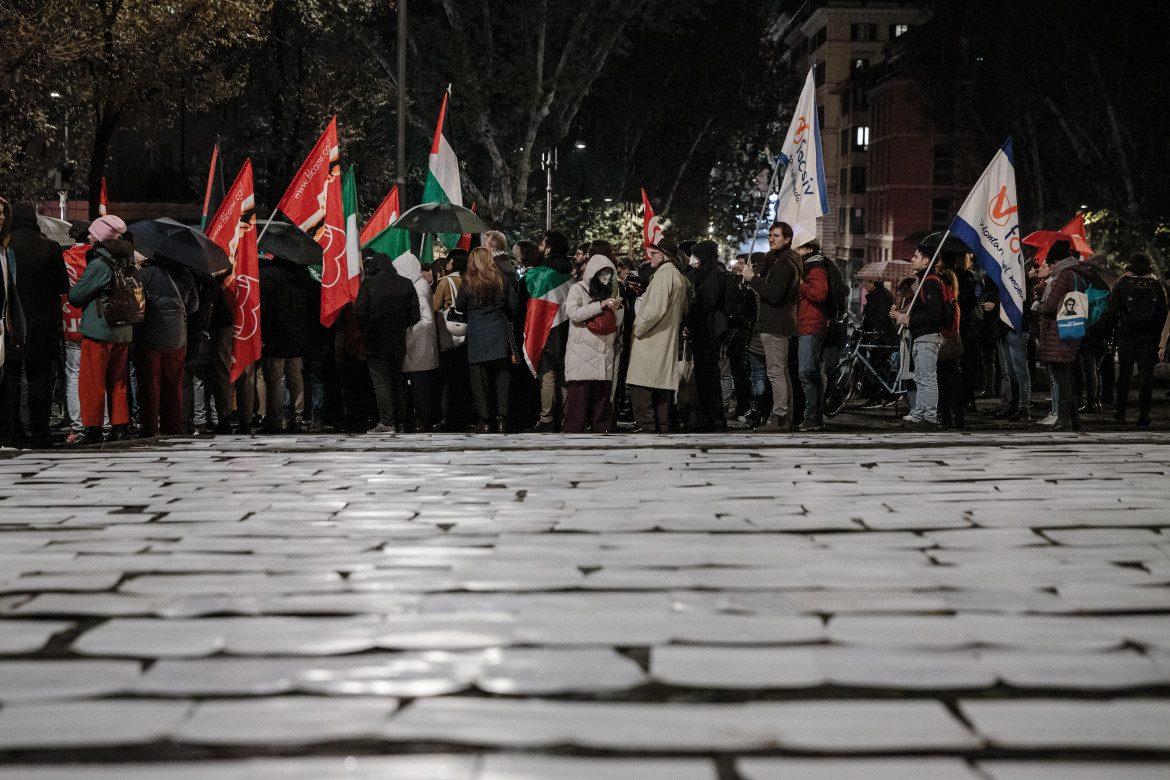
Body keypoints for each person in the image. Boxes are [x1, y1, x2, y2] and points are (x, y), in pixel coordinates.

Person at [1, 202, 69, 448]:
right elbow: (63, 286)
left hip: (10, 324)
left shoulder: (5, 248)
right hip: (42, 324)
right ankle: (40, 431)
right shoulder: (50, 247)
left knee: (10, 378)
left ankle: (12, 431)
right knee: (39, 377)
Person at [66, 215, 134, 445]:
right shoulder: (128, 260)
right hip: (123, 330)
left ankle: (93, 430)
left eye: (92, 234)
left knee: (92, 381)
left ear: (100, 237)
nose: (89, 237)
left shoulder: (99, 263)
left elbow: (75, 297)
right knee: (118, 382)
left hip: (99, 329)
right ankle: (119, 428)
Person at [626, 239, 690, 433]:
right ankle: (661, 426)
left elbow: (654, 310)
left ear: (662, 256)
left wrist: (637, 327)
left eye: (653, 253)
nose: (651, 256)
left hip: (651, 339)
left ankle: (648, 427)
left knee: (642, 385)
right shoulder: (677, 276)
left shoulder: (664, 277)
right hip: (664, 338)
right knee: (661, 386)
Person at [742, 223, 801, 432]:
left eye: (776, 236)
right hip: (780, 323)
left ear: (787, 239)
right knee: (781, 372)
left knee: (776, 373)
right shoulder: (785, 260)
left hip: (776, 324)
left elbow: (774, 295)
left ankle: (781, 417)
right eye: (769, 235)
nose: (771, 239)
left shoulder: (785, 263)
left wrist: (752, 279)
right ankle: (785, 415)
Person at [354, 250, 419, 433]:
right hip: (398, 340)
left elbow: (359, 311)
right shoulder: (406, 283)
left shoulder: (368, 283)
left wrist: (365, 327)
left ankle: (387, 423)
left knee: (381, 383)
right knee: (397, 382)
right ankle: (399, 422)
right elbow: (415, 314)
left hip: (375, 339)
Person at [133, 254, 197, 437]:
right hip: (177, 338)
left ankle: (150, 428)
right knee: (174, 385)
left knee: (149, 385)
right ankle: (173, 427)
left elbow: (137, 305)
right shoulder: (186, 275)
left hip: (149, 336)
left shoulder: (146, 274)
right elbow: (193, 307)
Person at [456, 246, 518, 433]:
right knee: (502, 380)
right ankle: (503, 420)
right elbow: (513, 304)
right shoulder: (501, 279)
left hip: (477, 336)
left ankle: (485, 421)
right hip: (499, 333)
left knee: (479, 380)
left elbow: (459, 306)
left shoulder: (468, 281)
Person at [563, 254, 623, 433]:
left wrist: (616, 311)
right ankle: (574, 437)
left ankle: (602, 433)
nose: (605, 278)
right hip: (581, 353)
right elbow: (573, 313)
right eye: (601, 274)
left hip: (603, 352)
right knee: (578, 405)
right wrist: (599, 306)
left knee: (602, 402)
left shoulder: (610, 291)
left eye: (608, 275)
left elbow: (616, 323)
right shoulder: (578, 289)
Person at [1110, 253, 1168, 426]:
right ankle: (1145, 414)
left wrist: (1111, 334)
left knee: (1124, 375)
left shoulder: (1122, 283)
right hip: (1149, 337)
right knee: (1146, 376)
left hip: (1127, 335)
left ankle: (1120, 413)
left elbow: (1113, 312)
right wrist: (1160, 340)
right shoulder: (1157, 284)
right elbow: (1163, 314)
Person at [892, 244, 945, 429]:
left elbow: (933, 315)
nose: (912, 259)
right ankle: (919, 416)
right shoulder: (924, 281)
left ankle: (929, 418)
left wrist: (907, 319)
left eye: (916, 256)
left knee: (927, 378)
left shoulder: (930, 282)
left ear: (926, 261)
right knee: (921, 378)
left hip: (927, 337)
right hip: (921, 337)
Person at [258, 252, 309, 433]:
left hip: (275, 335)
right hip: (298, 334)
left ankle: (275, 419)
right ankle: (297, 418)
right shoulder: (303, 274)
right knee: (296, 379)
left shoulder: (269, 274)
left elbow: (265, 307)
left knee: (274, 380)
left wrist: (262, 334)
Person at [1034, 240, 1083, 431]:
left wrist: (1038, 306)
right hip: (1072, 327)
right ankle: (1073, 419)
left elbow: (1051, 305)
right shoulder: (1077, 274)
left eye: (1051, 263)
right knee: (1067, 375)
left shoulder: (1063, 275)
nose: (1051, 267)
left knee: (1062, 376)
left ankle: (1065, 420)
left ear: (1056, 260)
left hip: (1058, 330)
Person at [528, 230, 573, 432]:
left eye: (542, 244)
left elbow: (535, 308)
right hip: (567, 330)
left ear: (548, 248)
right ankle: (565, 419)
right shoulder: (570, 273)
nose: (539, 247)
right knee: (563, 376)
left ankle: (546, 419)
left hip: (547, 331)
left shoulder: (541, 274)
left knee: (547, 376)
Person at [684, 239, 729, 432]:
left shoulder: (714, 276)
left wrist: (691, 316)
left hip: (708, 332)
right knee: (704, 376)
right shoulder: (707, 274)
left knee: (709, 376)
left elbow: (706, 303)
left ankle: (715, 419)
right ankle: (709, 417)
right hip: (703, 331)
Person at [394, 252, 440, 431]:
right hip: (420, 347)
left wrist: (407, 333)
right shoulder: (419, 284)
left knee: (419, 387)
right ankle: (420, 419)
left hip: (418, 347)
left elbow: (426, 319)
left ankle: (421, 420)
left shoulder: (418, 287)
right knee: (419, 385)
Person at [795, 237, 832, 431]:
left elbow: (819, 294)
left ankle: (813, 415)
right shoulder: (810, 267)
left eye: (799, 248)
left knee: (807, 371)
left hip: (811, 324)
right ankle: (813, 413)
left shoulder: (816, 268)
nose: (796, 251)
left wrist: (801, 284)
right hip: (806, 324)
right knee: (810, 371)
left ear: (808, 249)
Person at [434, 249, 471, 431]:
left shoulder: (445, 282)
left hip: (448, 337)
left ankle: (448, 418)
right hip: (467, 336)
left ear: (452, 262)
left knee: (448, 380)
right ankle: (462, 416)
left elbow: (435, 307)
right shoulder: (469, 281)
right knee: (462, 380)